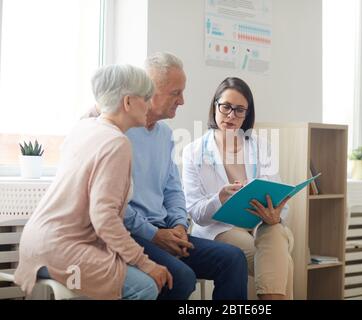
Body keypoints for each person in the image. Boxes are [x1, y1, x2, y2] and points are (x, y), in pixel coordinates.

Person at [85, 52, 248, 300]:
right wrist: (155, 234)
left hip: (165, 230)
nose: (182, 100)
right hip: (134, 233)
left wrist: (179, 226)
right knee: (181, 277)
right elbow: (112, 204)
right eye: (176, 92)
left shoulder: (165, 135)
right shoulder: (116, 132)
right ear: (150, 91)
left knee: (232, 258)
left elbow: (173, 191)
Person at [14, 64, 172, 300]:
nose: (149, 105)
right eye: (146, 98)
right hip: (61, 251)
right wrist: (145, 263)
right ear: (128, 102)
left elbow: (98, 106)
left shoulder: (84, 127)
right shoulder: (116, 143)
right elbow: (104, 218)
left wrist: (109, 95)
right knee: (145, 286)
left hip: (34, 244)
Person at [182, 77, 295, 300]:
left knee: (274, 233)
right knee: (283, 261)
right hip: (219, 230)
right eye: (225, 107)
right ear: (215, 106)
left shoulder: (262, 147)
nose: (231, 115)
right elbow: (196, 213)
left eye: (239, 110)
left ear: (247, 114)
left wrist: (275, 216)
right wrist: (219, 199)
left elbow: (281, 199)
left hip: (261, 226)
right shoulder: (193, 152)